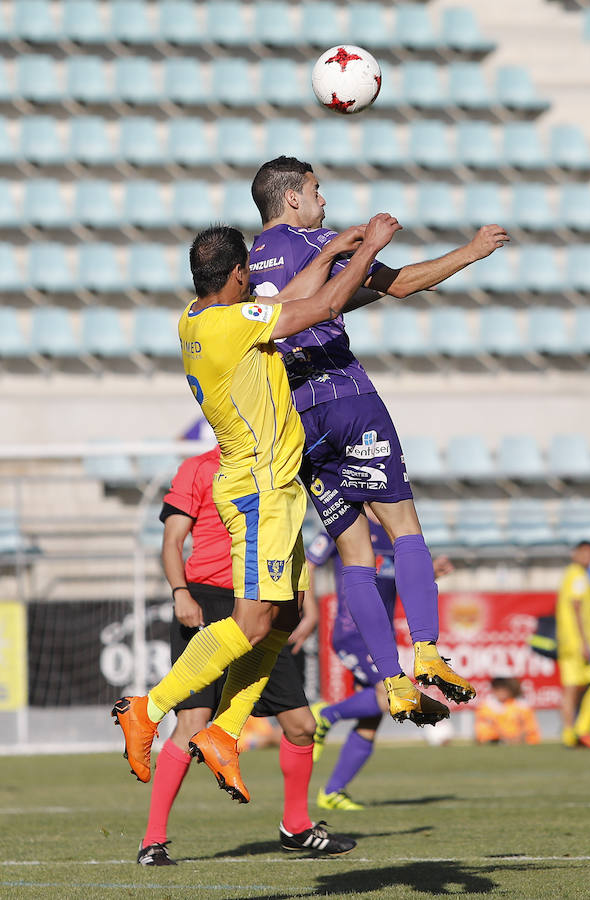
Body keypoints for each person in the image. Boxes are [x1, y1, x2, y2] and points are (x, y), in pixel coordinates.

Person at [113, 214, 402, 805]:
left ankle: (224, 730)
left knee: (284, 618)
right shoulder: (226, 327)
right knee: (249, 625)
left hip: (279, 489)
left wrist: (328, 255)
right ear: (239, 276)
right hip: (258, 491)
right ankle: (150, 706)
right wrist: (367, 248)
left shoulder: (199, 319)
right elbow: (316, 311)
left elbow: (287, 301)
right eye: (249, 281)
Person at [248, 155, 510, 728]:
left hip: (298, 419)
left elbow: (310, 305)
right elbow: (401, 284)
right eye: (317, 191)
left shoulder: (250, 267)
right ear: (292, 198)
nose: (324, 202)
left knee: (354, 556)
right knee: (404, 527)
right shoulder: (316, 240)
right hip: (346, 398)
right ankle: (427, 652)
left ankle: (391, 681)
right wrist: (470, 252)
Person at [136, 447, 355, 866]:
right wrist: (180, 592)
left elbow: (289, 534)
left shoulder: (279, 461)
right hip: (209, 601)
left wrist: (300, 599)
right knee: (192, 723)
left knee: (301, 726)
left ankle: (297, 827)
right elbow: (172, 540)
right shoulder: (198, 467)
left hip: (265, 603)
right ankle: (153, 840)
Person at [304, 512, 453, 811]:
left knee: (373, 717)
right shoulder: (343, 521)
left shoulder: (394, 528)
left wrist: (430, 571)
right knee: (390, 698)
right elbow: (307, 565)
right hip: (352, 631)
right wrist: (311, 611)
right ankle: (326, 715)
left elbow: (400, 577)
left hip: (379, 637)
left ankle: (333, 792)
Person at [555, 542, 590, 751]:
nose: (588, 556)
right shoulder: (579, 576)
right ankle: (581, 729)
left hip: (570, 642)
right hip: (579, 642)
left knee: (573, 688)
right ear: (575, 554)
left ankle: (570, 734)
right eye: (584, 552)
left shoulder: (573, 574)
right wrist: (584, 642)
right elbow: (576, 607)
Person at [474, 678, 541, 746]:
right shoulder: (486, 707)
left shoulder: (521, 706)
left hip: (521, 741)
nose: (501, 693)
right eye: (498, 689)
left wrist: (516, 738)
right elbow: (483, 731)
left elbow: (529, 727)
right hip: (496, 741)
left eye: (503, 689)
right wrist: (505, 737)